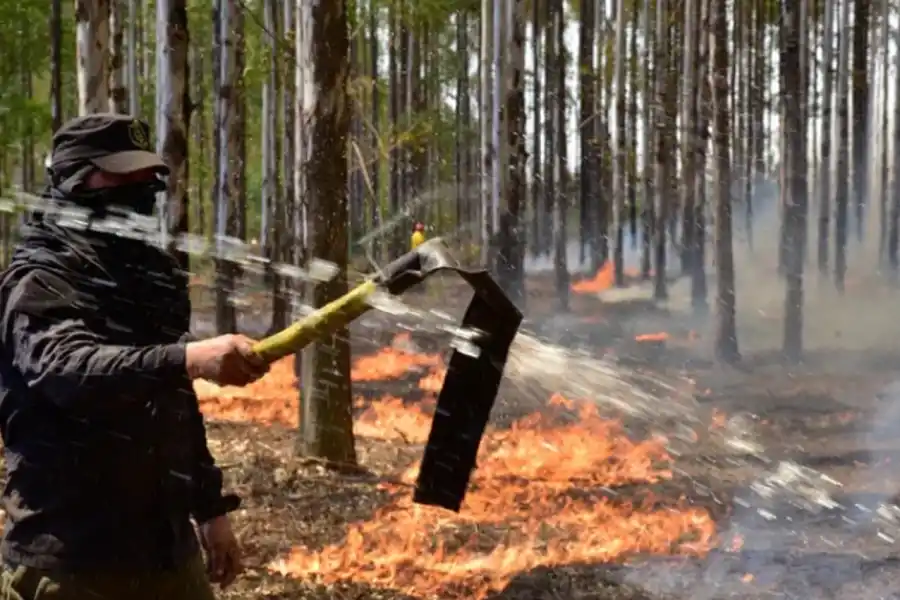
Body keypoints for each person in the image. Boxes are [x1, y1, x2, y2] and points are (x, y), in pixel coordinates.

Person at [0, 114, 270, 600]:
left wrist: (209, 509)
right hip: (75, 562)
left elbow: (173, 400)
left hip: (168, 553)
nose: (139, 188)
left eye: (147, 177)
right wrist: (186, 358)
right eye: (121, 176)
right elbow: (67, 371)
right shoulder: (40, 278)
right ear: (73, 180)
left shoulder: (148, 274)